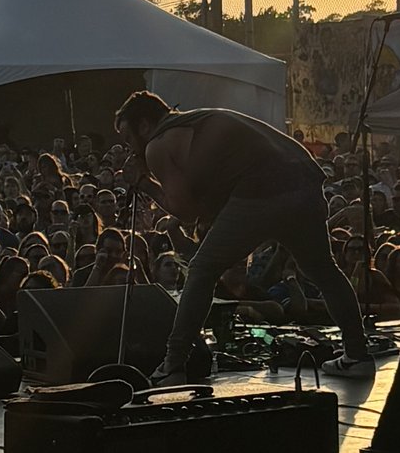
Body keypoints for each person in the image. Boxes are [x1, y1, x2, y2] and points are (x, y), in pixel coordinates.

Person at [113, 87, 373, 381]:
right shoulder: (199, 118)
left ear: (144, 126)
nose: (130, 149)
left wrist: (144, 184)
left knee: (201, 269)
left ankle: (173, 365)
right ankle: (357, 355)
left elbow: (185, 212)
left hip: (262, 191)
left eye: (128, 139)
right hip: (305, 179)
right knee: (325, 270)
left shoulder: (157, 144)